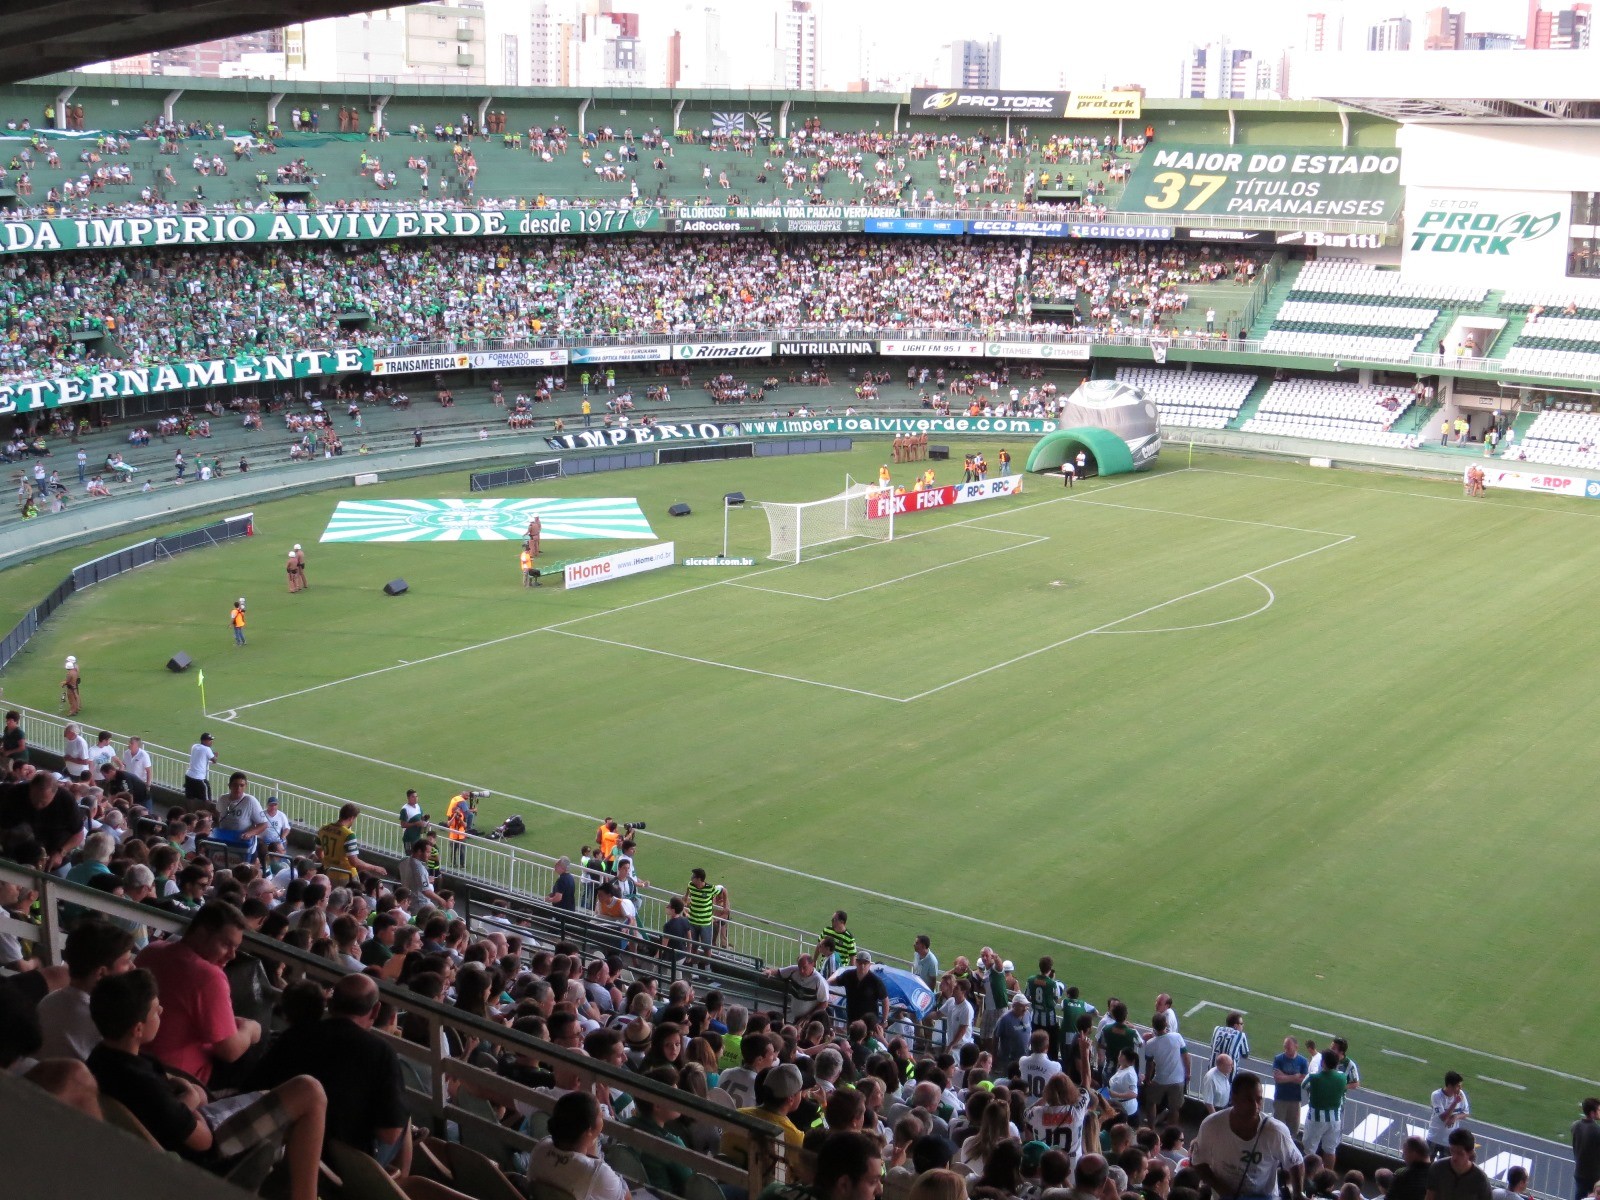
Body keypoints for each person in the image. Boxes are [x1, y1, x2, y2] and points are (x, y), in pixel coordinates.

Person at [86, 969, 327, 1200]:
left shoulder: (101, 1058)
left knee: (271, 1096)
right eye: (155, 1010)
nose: (161, 1008)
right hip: (207, 1156)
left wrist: (186, 1092)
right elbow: (203, 1142)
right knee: (310, 1091)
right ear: (138, 1028)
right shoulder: (144, 1085)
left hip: (184, 1131)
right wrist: (191, 1097)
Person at [250, 973, 411, 1172]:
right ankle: (399, 1182)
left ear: (331, 1004)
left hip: (282, 1147)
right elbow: (390, 1134)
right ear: (375, 1010)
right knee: (402, 1118)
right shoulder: (382, 1052)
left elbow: (255, 1087)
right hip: (341, 1166)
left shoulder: (297, 1034)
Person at [134, 901, 261, 1086]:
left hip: (135, 1061)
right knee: (258, 1041)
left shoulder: (152, 950)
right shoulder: (209, 976)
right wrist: (252, 1029)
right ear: (201, 934)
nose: (232, 955)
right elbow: (230, 1051)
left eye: (236, 947)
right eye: (226, 944)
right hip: (177, 1079)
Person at [1191, 1071, 1305, 1200]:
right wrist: (1222, 1189)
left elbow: (1296, 1162)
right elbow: (1199, 1162)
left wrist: (1298, 1193)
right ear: (1234, 1098)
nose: (1256, 1106)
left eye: (1259, 1099)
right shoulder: (1211, 1125)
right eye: (1249, 1100)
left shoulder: (1275, 1131)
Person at [37, 920, 136, 1060]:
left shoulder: (48, 1001)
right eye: (126, 962)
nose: (133, 967)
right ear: (101, 973)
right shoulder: (103, 1022)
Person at [526, 1089, 630, 1200]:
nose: (603, 1118)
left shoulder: (541, 1148)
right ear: (589, 1131)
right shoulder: (597, 1173)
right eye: (600, 1115)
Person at [314, 802, 387, 884]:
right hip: (346, 877)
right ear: (352, 818)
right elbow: (354, 862)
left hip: (328, 872)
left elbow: (318, 852)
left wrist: (327, 863)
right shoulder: (348, 835)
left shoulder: (323, 829)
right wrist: (375, 868)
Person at [1143, 1012, 1189, 1126]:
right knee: (1174, 1108)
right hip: (1178, 1080)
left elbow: (1149, 1064)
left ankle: (1151, 1128)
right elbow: (1186, 1056)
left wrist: (1148, 1079)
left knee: (1151, 1102)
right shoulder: (1177, 1037)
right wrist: (1188, 1073)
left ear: (1153, 1026)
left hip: (1160, 1079)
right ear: (1166, 1024)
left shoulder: (1150, 1043)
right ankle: (1171, 1132)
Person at [1303, 1049, 1348, 1161]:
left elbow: (1304, 1085)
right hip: (1335, 1119)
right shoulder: (1342, 1077)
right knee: (1330, 1150)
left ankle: (1308, 1175)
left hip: (1316, 1118)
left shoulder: (1313, 1077)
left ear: (1323, 1062)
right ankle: (1328, 1176)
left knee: (1309, 1150)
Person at [1425, 1129, 1492, 1200]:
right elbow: (1429, 1196)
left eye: (1460, 1153)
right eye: (1452, 1150)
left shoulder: (1480, 1179)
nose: (1454, 1157)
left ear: (1470, 1153)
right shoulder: (1437, 1168)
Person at [831, 951, 890, 1028]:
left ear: (870, 965)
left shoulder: (876, 981)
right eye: (860, 963)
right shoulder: (848, 975)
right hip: (852, 1020)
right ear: (856, 963)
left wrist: (884, 1020)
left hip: (869, 1024)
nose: (862, 966)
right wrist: (824, 982)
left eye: (865, 963)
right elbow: (833, 981)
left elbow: (885, 1000)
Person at [767, 953, 831, 1021]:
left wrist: (808, 1017)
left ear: (812, 964)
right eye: (799, 967)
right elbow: (779, 972)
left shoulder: (819, 981)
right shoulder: (794, 970)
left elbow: (824, 1003)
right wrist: (769, 971)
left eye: (804, 967)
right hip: (797, 1017)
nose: (801, 971)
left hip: (810, 1019)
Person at [1027, 955, 1065, 1058]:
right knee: (1052, 1047)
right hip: (1049, 1021)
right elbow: (1057, 999)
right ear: (1050, 968)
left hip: (1035, 1018)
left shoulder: (1030, 980)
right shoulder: (1052, 983)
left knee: (1036, 1044)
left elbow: (1027, 996)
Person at [1428, 1073, 1470, 1159]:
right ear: (1450, 1086)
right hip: (1434, 1138)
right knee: (1426, 1164)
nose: (1460, 1088)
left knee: (1445, 1169)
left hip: (1450, 1141)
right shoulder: (1436, 1095)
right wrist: (1455, 1102)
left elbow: (1466, 1113)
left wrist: (1455, 1117)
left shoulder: (1461, 1094)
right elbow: (1444, 1117)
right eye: (1458, 1086)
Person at [1574, 1098, 1600, 1200]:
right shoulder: (1596, 1130)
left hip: (1579, 1172)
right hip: (1593, 1176)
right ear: (1592, 1113)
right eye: (1598, 1110)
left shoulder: (1577, 1125)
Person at [185, 732, 216, 805]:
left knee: (190, 797)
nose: (211, 742)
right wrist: (215, 756)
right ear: (204, 741)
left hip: (189, 775)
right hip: (198, 777)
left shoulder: (195, 746)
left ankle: (190, 814)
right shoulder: (207, 749)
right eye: (209, 740)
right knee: (207, 798)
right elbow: (214, 760)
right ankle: (205, 815)